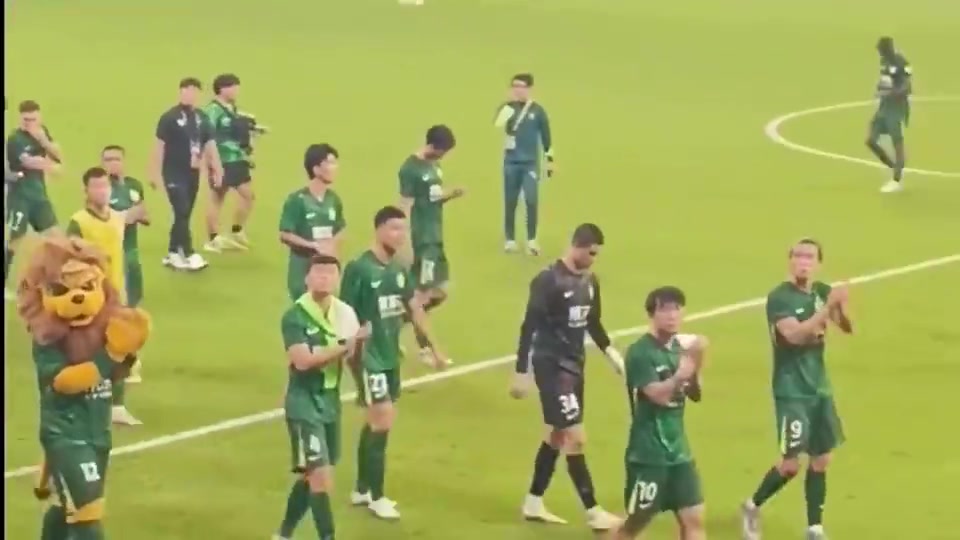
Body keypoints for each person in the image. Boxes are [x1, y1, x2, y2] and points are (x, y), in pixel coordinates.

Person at [509, 223, 624, 532]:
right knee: (575, 437)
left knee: (557, 435)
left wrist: (612, 354)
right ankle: (593, 510)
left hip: (575, 367)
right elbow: (529, 326)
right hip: (551, 366)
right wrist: (521, 370)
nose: (594, 259)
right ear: (577, 245)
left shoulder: (590, 281)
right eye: (592, 253)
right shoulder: (548, 281)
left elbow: (593, 323)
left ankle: (533, 501)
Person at [740, 239, 853, 540]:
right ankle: (752, 505)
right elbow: (794, 336)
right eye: (799, 256)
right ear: (790, 261)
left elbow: (847, 327)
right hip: (792, 390)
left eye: (810, 257)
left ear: (818, 263)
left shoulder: (822, 291)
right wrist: (826, 309)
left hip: (819, 388)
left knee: (822, 458)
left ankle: (814, 527)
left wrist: (840, 307)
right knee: (790, 465)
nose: (804, 261)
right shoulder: (780, 298)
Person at [341, 206, 447, 520]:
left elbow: (415, 310)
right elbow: (344, 315)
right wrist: (350, 356)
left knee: (376, 420)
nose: (400, 235)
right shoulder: (359, 269)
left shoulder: (400, 269)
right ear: (378, 229)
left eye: (403, 229)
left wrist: (435, 349)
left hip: (389, 355)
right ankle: (377, 496)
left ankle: (362, 488)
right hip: (367, 357)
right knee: (383, 418)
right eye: (393, 229)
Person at [272, 254, 368, 540]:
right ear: (307, 277)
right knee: (321, 478)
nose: (324, 277)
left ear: (338, 279)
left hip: (330, 402)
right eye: (318, 271)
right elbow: (303, 361)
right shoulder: (295, 316)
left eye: (330, 272)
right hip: (303, 403)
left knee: (312, 475)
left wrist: (362, 386)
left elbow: (353, 358)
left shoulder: (345, 313)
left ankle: (284, 533)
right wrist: (348, 344)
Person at [608, 286, 708, 540]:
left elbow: (695, 394)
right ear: (652, 315)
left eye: (676, 309)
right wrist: (679, 376)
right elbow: (657, 396)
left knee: (694, 518)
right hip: (648, 455)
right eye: (665, 310)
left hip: (680, 453)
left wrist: (697, 362)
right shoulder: (640, 353)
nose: (672, 315)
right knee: (635, 525)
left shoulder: (678, 349)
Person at [398, 124, 464, 367]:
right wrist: (404, 241)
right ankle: (427, 350)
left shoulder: (434, 166)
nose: (444, 156)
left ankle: (391, 326)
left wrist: (450, 194)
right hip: (422, 240)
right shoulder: (410, 169)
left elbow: (431, 197)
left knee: (440, 292)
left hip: (436, 238)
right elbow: (404, 205)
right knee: (421, 296)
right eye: (443, 151)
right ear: (433, 146)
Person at [150, 77, 221, 271]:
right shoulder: (169, 118)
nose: (191, 95)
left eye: (194, 91)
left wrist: (217, 168)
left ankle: (173, 252)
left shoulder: (202, 118)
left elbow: (210, 144)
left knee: (184, 214)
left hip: (193, 173)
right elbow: (159, 146)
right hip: (173, 171)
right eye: (187, 91)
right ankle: (189, 253)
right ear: (180, 92)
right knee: (181, 209)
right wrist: (154, 173)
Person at [102, 145, 149, 409]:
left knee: (133, 311)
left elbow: (145, 215)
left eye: (116, 159)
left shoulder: (133, 186)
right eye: (107, 159)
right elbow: (110, 221)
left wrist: (129, 215)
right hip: (113, 261)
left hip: (132, 259)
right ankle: (123, 363)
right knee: (116, 313)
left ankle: (131, 359)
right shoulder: (101, 190)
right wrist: (128, 215)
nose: (112, 163)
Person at [5, 99, 63, 295]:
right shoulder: (15, 139)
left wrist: (44, 142)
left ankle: (55, 281)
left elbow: (58, 154)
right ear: (20, 119)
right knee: (15, 240)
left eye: (33, 119)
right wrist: (50, 166)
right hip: (20, 196)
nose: (30, 123)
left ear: (40, 118)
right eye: (26, 120)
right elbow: (28, 162)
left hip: (39, 196)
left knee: (57, 238)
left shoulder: (41, 133)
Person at [493, 73, 554, 255]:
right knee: (510, 201)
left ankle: (532, 240)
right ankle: (510, 239)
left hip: (530, 163)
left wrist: (550, 160)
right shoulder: (508, 108)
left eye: (521, 86)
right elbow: (497, 124)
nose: (518, 90)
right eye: (515, 86)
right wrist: (506, 108)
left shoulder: (538, 111)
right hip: (511, 162)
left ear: (529, 89)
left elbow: (546, 137)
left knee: (531, 200)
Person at [279, 144, 346, 301]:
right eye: (330, 163)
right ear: (316, 169)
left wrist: (331, 245)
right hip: (302, 267)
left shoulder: (333, 199)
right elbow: (285, 234)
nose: (335, 168)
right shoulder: (297, 200)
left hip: (326, 266)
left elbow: (340, 228)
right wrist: (312, 245)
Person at [203, 73, 258, 252]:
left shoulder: (232, 108)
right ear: (222, 89)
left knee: (248, 196)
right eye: (233, 87)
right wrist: (211, 162)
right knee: (218, 198)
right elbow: (206, 136)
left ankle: (236, 230)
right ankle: (213, 238)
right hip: (222, 160)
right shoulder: (213, 110)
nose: (236, 91)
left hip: (237, 159)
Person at [866, 36, 912, 193]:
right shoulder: (884, 62)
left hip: (896, 109)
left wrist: (894, 92)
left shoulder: (901, 62)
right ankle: (894, 167)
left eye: (881, 50)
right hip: (884, 107)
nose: (880, 53)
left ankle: (896, 180)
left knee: (897, 143)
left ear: (888, 49)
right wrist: (880, 89)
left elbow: (907, 86)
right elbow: (885, 81)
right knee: (870, 141)